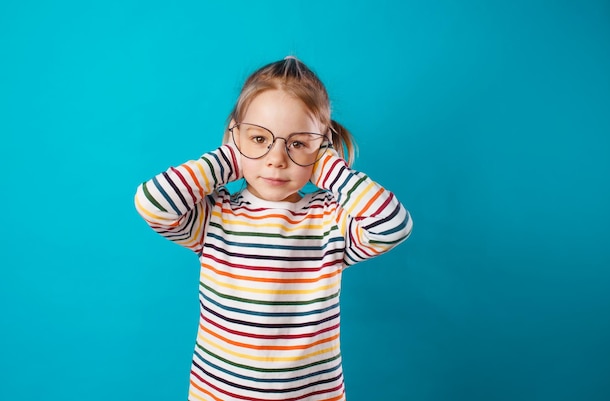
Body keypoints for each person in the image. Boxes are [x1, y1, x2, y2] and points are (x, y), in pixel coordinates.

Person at [134, 56, 413, 401]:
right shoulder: (215, 217)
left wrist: (330, 169)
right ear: (235, 137)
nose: (276, 158)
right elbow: (153, 204)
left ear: (322, 145)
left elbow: (393, 226)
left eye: (297, 143)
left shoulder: (330, 221)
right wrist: (227, 158)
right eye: (258, 138)